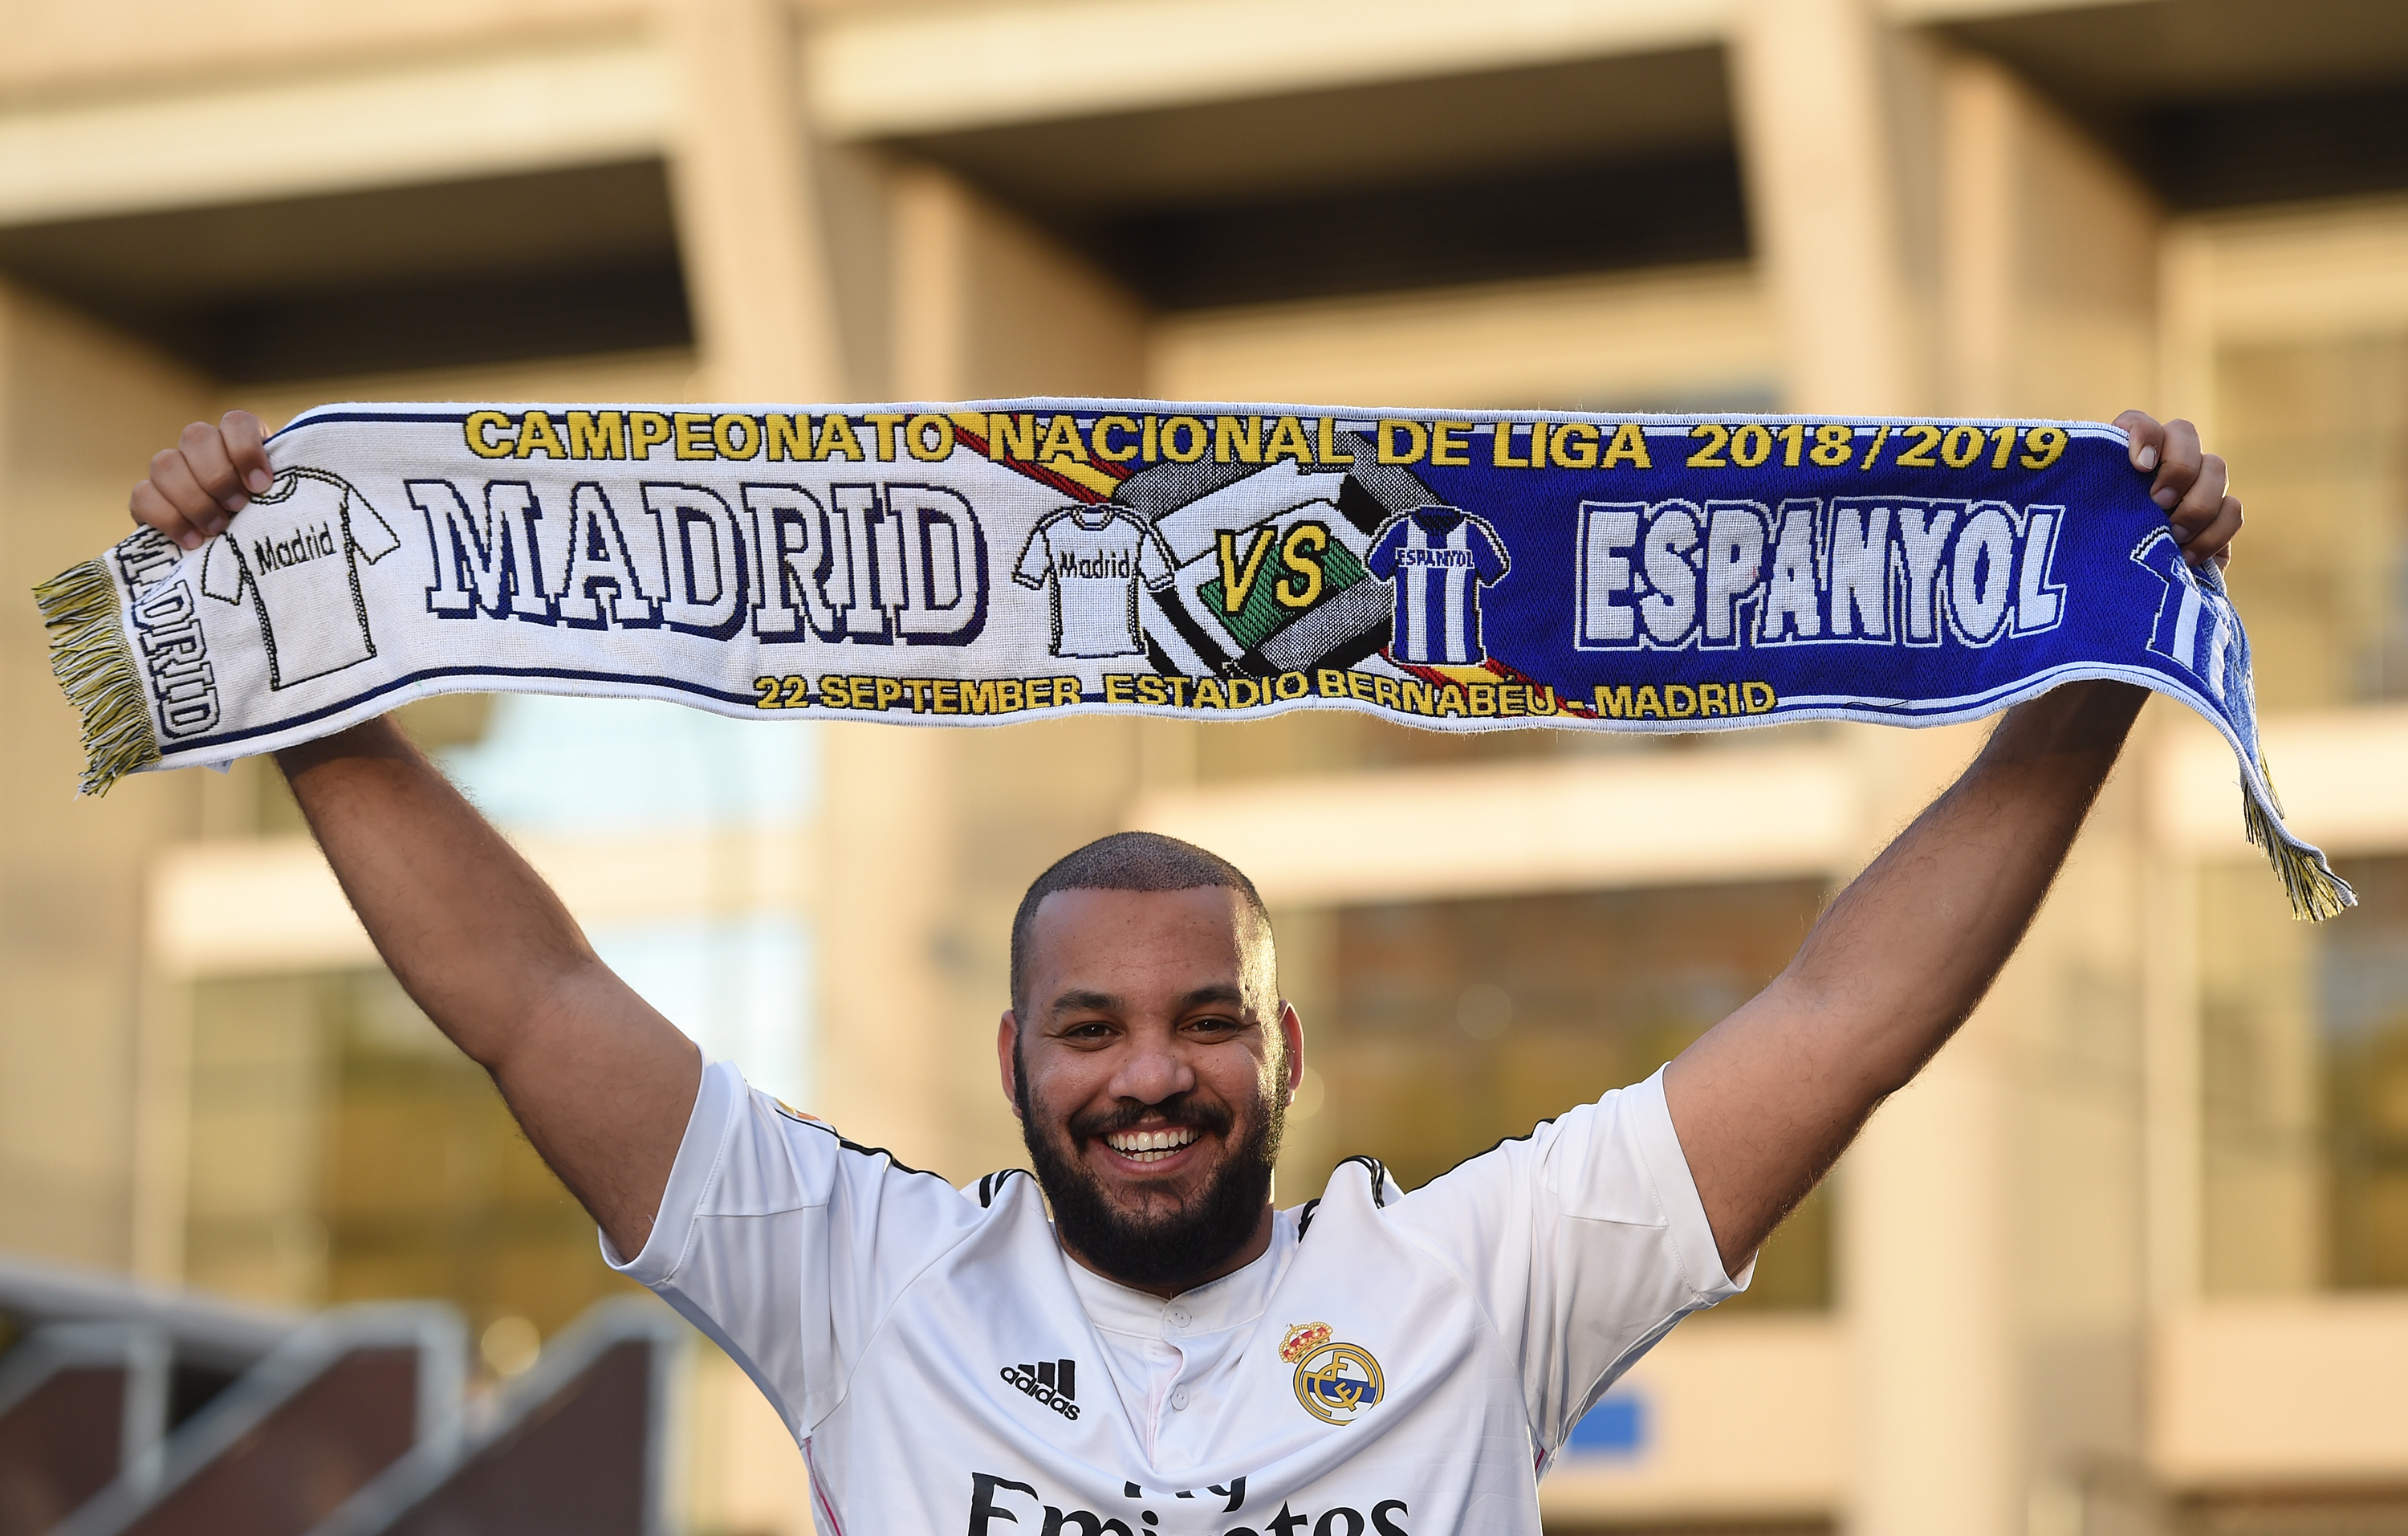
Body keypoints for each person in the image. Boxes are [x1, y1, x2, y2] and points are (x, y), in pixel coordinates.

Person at [131, 409, 2239, 1534]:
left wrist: (2101, 680)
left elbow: (1839, 1021)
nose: (1155, 1073)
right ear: (1015, 1059)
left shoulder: (1476, 1288)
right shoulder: (864, 1287)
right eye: (1096, 1028)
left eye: (1207, 1017)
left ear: (1285, 1047)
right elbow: (534, 1002)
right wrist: (294, 674)